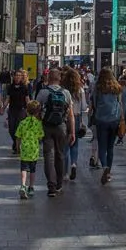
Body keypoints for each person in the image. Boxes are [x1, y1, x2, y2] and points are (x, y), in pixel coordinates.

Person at [35, 67, 75, 196]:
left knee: (48, 156)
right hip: (61, 127)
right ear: (60, 79)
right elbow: (71, 115)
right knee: (60, 154)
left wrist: (36, 128)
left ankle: (51, 186)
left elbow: (36, 111)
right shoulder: (66, 93)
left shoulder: (42, 92)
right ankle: (59, 184)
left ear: (48, 78)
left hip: (46, 126)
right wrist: (72, 131)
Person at [91, 69, 122, 184]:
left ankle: (104, 167)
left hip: (101, 119)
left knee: (102, 147)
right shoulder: (116, 87)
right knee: (110, 148)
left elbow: (94, 102)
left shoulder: (98, 87)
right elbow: (120, 102)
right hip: (114, 119)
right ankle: (108, 172)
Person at [15, 100, 45, 199]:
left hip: (24, 149)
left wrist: (17, 147)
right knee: (33, 170)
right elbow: (41, 137)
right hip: (34, 150)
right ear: (37, 112)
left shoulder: (22, 123)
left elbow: (18, 137)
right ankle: (31, 187)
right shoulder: (38, 123)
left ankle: (23, 185)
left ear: (27, 111)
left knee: (24, 169)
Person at [61, 67, 87, 181]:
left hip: (65, 119)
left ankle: (65, 173)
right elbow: (84, 107)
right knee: (75, 143)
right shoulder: (80, 90)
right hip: (76, 117)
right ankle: (74, 164)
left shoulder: (63, 90)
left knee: (65, 145)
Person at [6, 69, 30, 155]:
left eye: (19, 76)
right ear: (14, 77)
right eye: (16, 75)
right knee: (11, 129)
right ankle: (16, 142)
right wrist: (3, 108)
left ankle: (17, 146)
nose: (18, 77)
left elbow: (27, 100)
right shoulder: (10, 87)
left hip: (21, 110)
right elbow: (8, 99)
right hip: (12, 110)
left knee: (18, 128)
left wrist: (29, 110)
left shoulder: (24, 87)